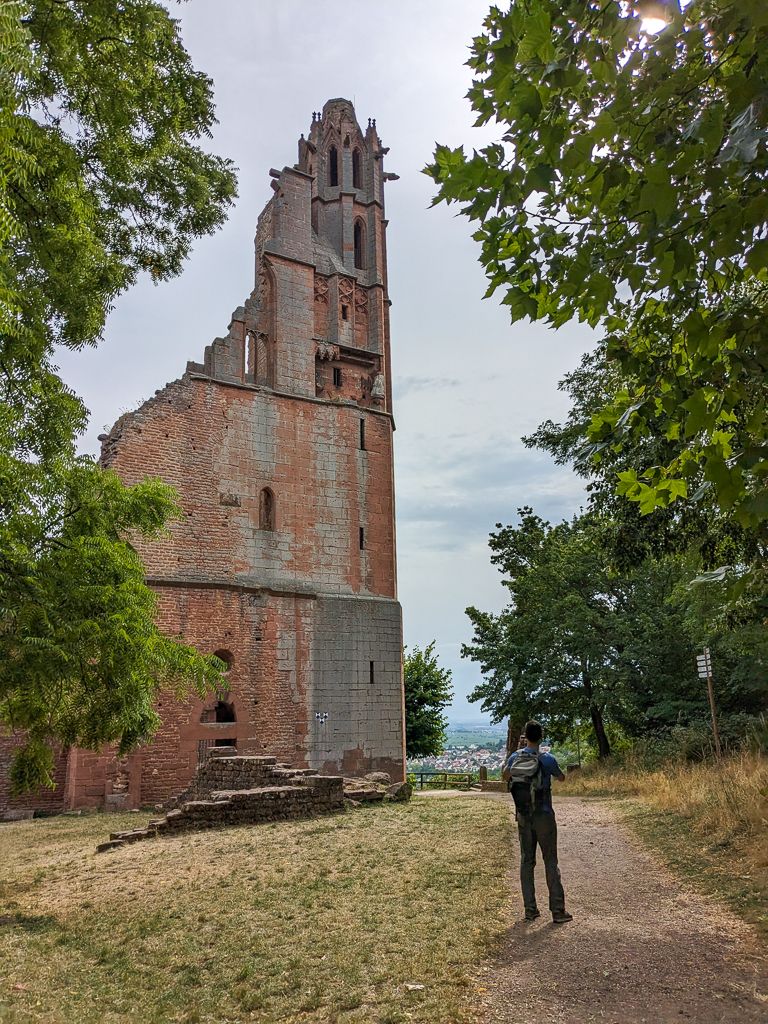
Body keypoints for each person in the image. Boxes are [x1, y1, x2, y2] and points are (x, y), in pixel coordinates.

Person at [503, 720, 573, 924]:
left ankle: (530, 910)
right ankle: (558, 911)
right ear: (541, 737)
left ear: (525, 736)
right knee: (550, 861)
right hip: (544, 815)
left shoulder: (516, 757)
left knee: (527, 861)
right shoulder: (547, 758)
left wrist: (514, 758)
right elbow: (561, 778)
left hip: (524, 816)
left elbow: (505, 774)